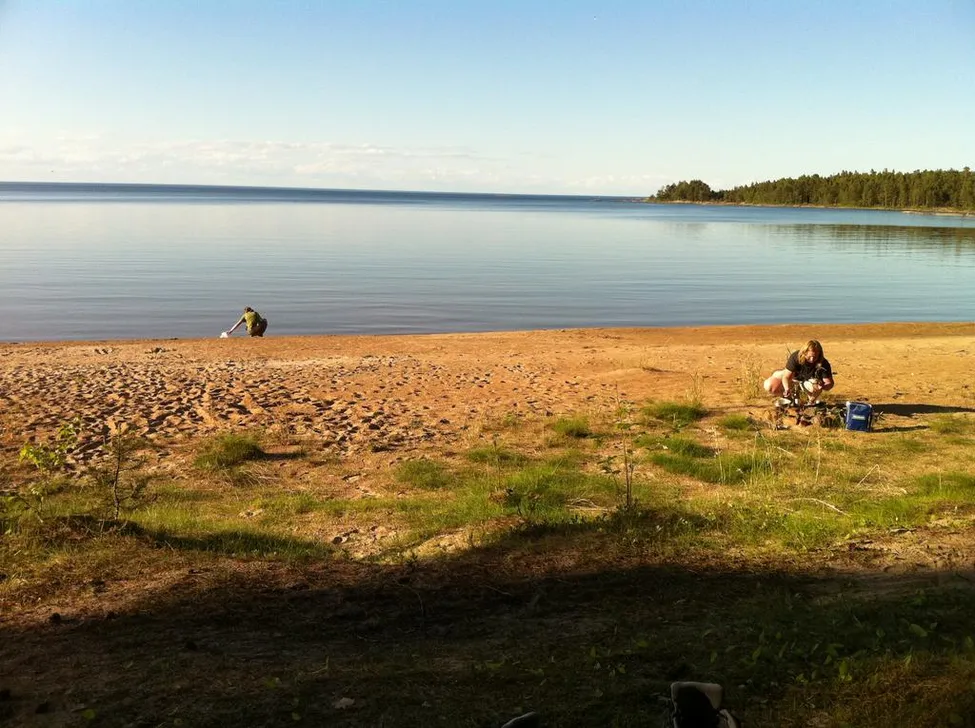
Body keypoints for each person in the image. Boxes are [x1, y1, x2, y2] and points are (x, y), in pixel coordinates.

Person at [764, 339, 834, 405]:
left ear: (819, 354)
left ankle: (810, 402)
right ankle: (789, 399)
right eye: (809, 357)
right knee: (769, 385)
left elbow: (829, 383)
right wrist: (787, 389)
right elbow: (786, 377)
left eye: (815, 357)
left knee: (815, 384)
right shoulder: (796, 357)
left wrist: (822, 386)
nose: (812, 360)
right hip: (792, 379)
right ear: (804, 352)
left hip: (807, 384)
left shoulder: (823, 363)